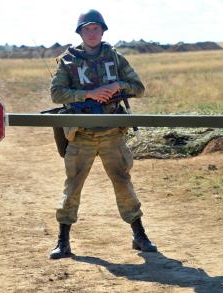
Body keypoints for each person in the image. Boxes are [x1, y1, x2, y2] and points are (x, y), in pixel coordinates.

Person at [49, 9, 157, 259]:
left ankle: (139, 236)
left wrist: (117, 85)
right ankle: (62, 242)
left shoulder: (115, 57)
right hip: (81, 133)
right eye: (87, 29)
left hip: (111, 133)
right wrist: (88, 94)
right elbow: (57, 94)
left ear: (103, 30)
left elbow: (139, 88)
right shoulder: (68, 60)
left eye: (96, 28)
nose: (92, 33)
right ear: (80, 32)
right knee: (72, 186)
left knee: (122, 182)